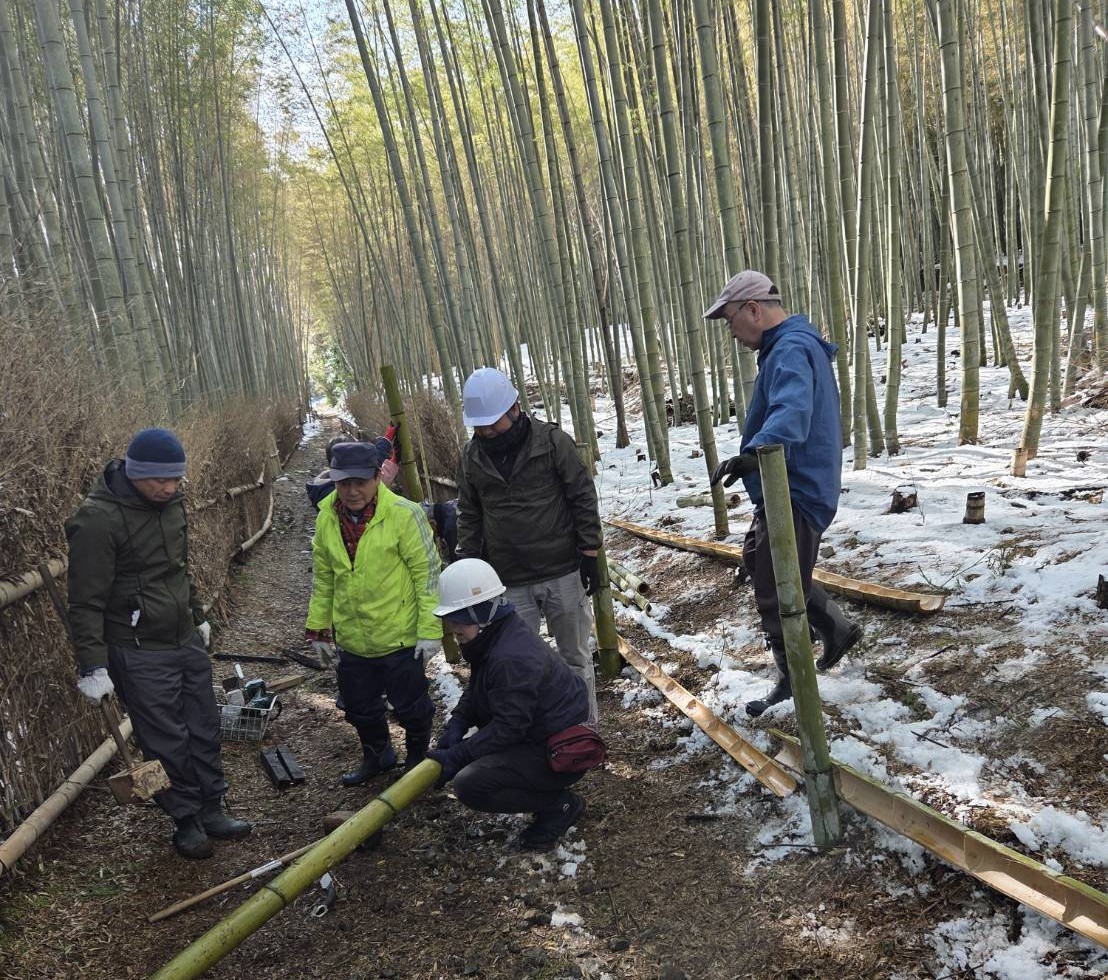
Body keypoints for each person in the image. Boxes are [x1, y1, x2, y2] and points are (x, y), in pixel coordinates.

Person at [66, 427, 252, 859]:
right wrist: (93, 666)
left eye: (175, 480)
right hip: (137, 647)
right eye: (158, 481)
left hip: (182, 637)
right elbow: (85, 602)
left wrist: (197, 615)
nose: (168, 488)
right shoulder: (98, 519)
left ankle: (211, 806)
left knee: (204, 724)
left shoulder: (171, 505)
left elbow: (177, 570)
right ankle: (184, 818)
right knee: (165, 736)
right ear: (134, 472)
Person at [704, 270, 862, 717]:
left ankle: (795, 677)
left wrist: (753, 454)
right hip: (784, 487)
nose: (730, 331)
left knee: (778, 586)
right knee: (759, 562)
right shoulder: (785, 347)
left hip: (796, 487)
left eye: (730, 320)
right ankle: (835, 628)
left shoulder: (791, 348)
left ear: (753, 309)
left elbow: (792, 410)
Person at [455, 367, 602, 722]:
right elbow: (469, 515)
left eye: (493, 423)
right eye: (481, 426)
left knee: (575, 658)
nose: (487, 432)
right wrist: (469, 567)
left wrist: (590, 552)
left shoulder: (552, 443)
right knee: (514, 662)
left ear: (515, 409)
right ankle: (529, 732)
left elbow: (581, 495)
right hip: (507, 579)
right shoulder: (472, 459)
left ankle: (583, 732)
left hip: (562, 570)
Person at [426, 559, 590, 852]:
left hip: (559, 751)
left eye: (459, 619)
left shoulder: (510, 657)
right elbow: (479, 688)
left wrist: (458, 756)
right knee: (473, 759)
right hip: (536, 734)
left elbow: (509, 727)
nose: (454, 628)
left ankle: (559, 806)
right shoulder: (495, 636)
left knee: (470, 784)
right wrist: (457, 724)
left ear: (480, 614)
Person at [304, 441, 442, 784]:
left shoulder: (404, 514)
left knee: (411, 707)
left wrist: (430, 629)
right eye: (342, 483)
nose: (350, 491)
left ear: (377, 477)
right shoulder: (326, 517)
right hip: (353, 637)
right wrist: (318, 627)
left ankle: (416, 759)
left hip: (400, 635)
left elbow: (427, 574)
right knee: (359, 707)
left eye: (359, 482)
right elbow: (324, 577)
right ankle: (378, 755)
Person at [306, 430, 399, 511]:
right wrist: (383, 482)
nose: (352, 492)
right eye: (344, 484)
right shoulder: (329, 496)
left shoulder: (320, 487)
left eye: (360, 483)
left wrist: (386, 440)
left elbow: (375, 457)